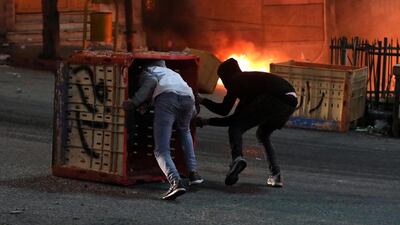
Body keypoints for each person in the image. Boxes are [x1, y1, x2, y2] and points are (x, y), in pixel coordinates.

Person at [197, 58, 297, 187]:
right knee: (263, 135)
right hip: (290, 102)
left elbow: (224, 110)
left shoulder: (236, 81)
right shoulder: (249, 84)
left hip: (274, 98)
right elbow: (234, 118)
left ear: (225, 76)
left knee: (235, 128)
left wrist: (202, 101)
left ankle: (237, 158)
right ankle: (276, 175)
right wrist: (205, 122)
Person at [122, 59, 203, 200]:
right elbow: (188, 96)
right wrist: (193, 112)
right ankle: (193, 173)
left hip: (167, 100)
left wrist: (133, 103)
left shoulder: (149, 71)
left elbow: (151, 83)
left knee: (161, 150)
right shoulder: (173, 74)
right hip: (188, 99)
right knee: (185, 131)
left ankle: (175, 182)